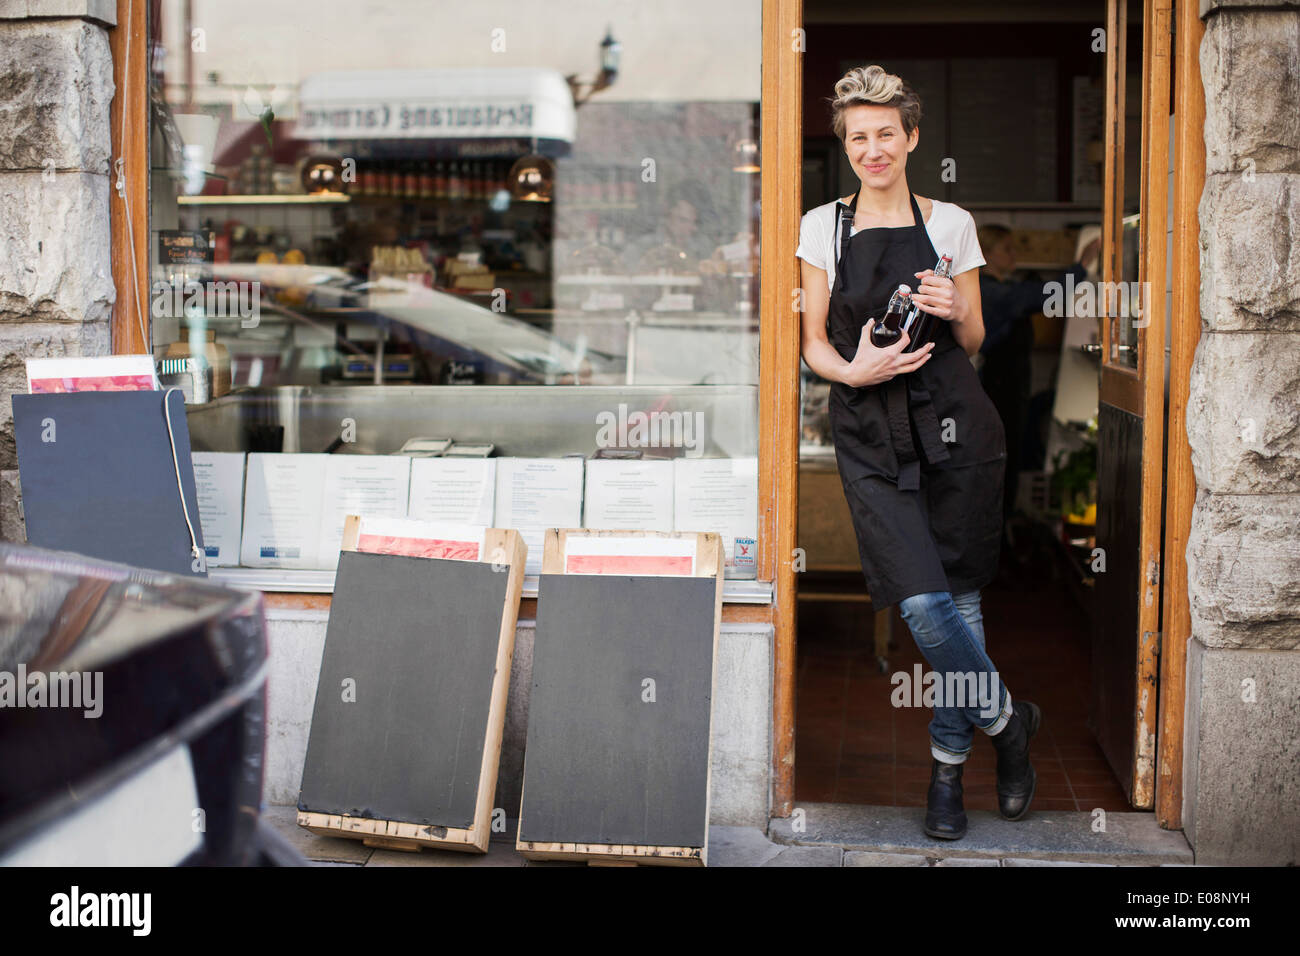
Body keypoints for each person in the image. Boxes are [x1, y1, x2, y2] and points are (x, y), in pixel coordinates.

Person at [795, 65, 1041, 840]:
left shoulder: (953, 223)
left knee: (960, 600)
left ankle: (946, 775)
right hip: (870, 432)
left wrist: (954, 305)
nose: (873, 148)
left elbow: (970, 340)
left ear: (911, 138)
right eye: (858, 137)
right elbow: (811, 345)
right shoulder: (820, 227)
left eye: (886, 134)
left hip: (956, 429)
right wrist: (853, 369)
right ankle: (1010, 726)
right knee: (923, 601)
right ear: (845, 144)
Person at [977, 224, 1100, 528]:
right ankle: (997, 543)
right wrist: (1082, 264)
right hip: (996, 389)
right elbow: (1046, 295)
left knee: (1009, 459)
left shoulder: (1001, 287)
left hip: (1010, 388)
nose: (1014, 254)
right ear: (987, 254)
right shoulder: (993, 292)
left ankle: (1001, 535)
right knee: (999, 462)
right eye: (1006, 248)